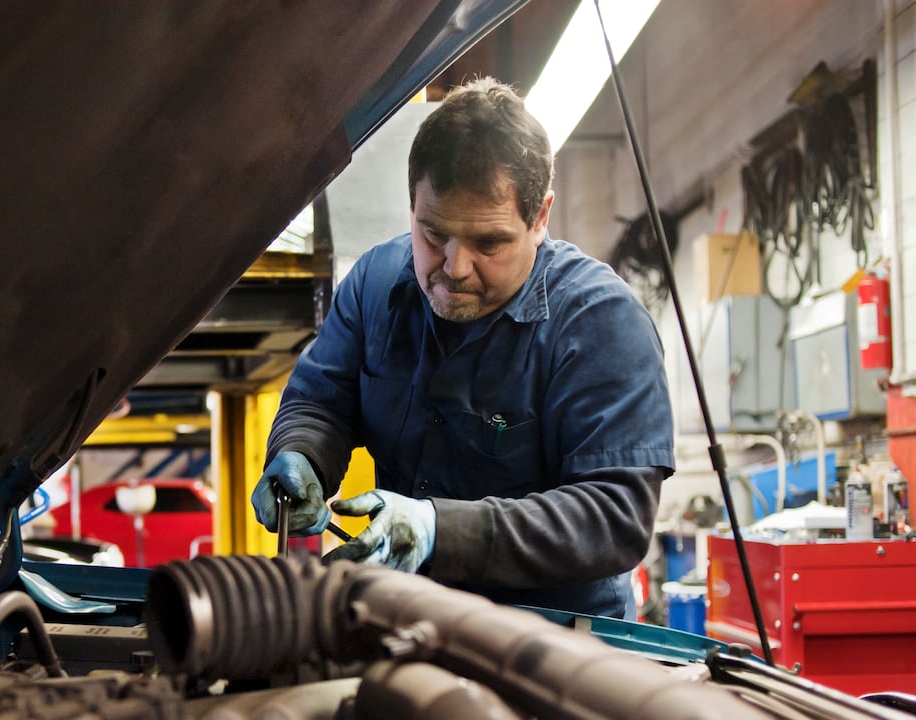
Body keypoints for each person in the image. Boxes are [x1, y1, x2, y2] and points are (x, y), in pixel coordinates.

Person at [251, 77, 674, 619]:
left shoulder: (600, 324)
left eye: (489, 243)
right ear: (411, 207)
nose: (454, 268)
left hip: (556, 654)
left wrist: (438, 529)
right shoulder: (374, 287)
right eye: (433, 235)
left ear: (540, 217)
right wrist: (302, 452)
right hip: (404, 622)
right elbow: (321, 401)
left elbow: (614, 517)